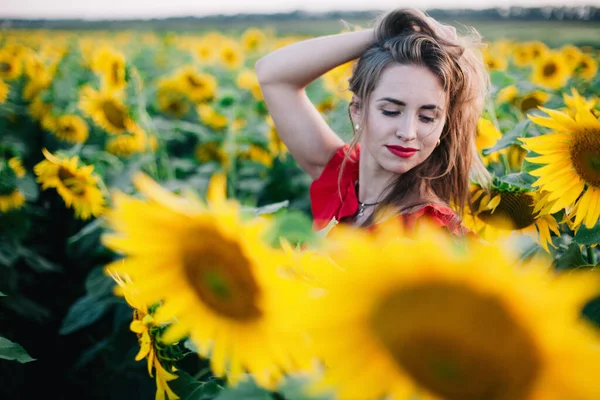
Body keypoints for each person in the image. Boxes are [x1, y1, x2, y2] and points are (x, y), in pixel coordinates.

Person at [255, 8, 491, 235]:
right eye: (390, 111)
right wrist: (383, 33)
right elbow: (271, 74)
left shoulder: (435, 232)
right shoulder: (342, 181)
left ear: (443, 126)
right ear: (357, 109)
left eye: (427, 117)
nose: (407, 132)